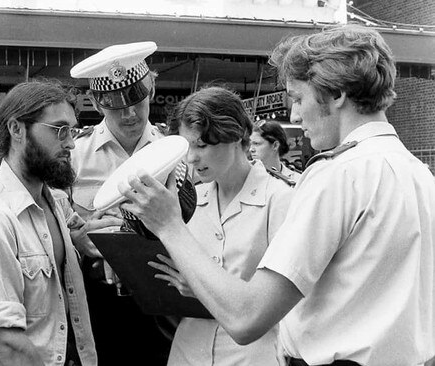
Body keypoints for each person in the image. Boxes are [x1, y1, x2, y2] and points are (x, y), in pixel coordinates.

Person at [118, 24, 435, 366]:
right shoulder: (418, 173)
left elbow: (247, 317)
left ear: (338, 94)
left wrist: (169, 225)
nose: (295, 116)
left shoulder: (338, 174)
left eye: (298, 98)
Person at [0, 80, 98, 366]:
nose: (70, 143)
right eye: (59, 130)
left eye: (73, 131)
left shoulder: (55, 202)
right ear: (17, 129)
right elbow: (7, 343)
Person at [149, 86, 293, 365]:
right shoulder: (187, 201)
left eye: (201, 146)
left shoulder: (280, 200)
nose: (191, 158)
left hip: (252, 354)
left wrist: (203, 286)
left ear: (237, 136)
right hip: (187, 351)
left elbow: (282, 300)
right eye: (187, 147)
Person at [69, 41, 171, 365]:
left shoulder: (177, 152)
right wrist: (76, 240)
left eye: (137, 100)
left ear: (151, 89)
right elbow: (55, 226)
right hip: (97, 298)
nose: (130, 113)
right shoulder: (73, 154)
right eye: (116, 105)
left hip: (162, 293)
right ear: (98, 103)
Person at [249, 119, 301, 184]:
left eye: (256, 144)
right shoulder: (245, 179)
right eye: (250, 144)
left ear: (275, 145)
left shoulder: (297, 181)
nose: (251, 149)